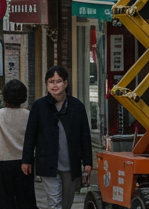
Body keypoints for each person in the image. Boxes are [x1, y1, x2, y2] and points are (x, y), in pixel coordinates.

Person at [21, 66, 92, 209]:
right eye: (51, 81)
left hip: (71, 164)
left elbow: (85, 135)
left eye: (58, 81)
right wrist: (27, 160)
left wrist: (88, 162)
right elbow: (30, 135)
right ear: (46, 84)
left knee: (66, 203)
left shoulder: (77, 106)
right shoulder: (39, 106)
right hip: (47, 162)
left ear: (66, 83)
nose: (55, 85)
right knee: (54, 203)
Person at [0, 80, 35, 209]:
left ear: (5, 97)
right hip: (25, 162)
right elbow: (35, 139)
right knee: (26, 200)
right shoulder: (29, 115)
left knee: (5, 200)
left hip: (4, 164)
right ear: (23, 97)